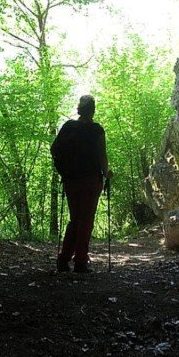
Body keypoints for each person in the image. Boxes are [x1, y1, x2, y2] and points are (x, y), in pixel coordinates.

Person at [52, 94, 113, 273]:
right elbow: (103, 157)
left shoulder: (68, 127)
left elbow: (54, 149)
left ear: (79, 109)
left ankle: (63, 260)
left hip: (71, 180)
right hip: (91, 181)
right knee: (85, 220)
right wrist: (107, 173)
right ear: (93, 110)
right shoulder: (97, 130)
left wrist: (64, 170)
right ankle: (80, 261)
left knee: (75, 219)